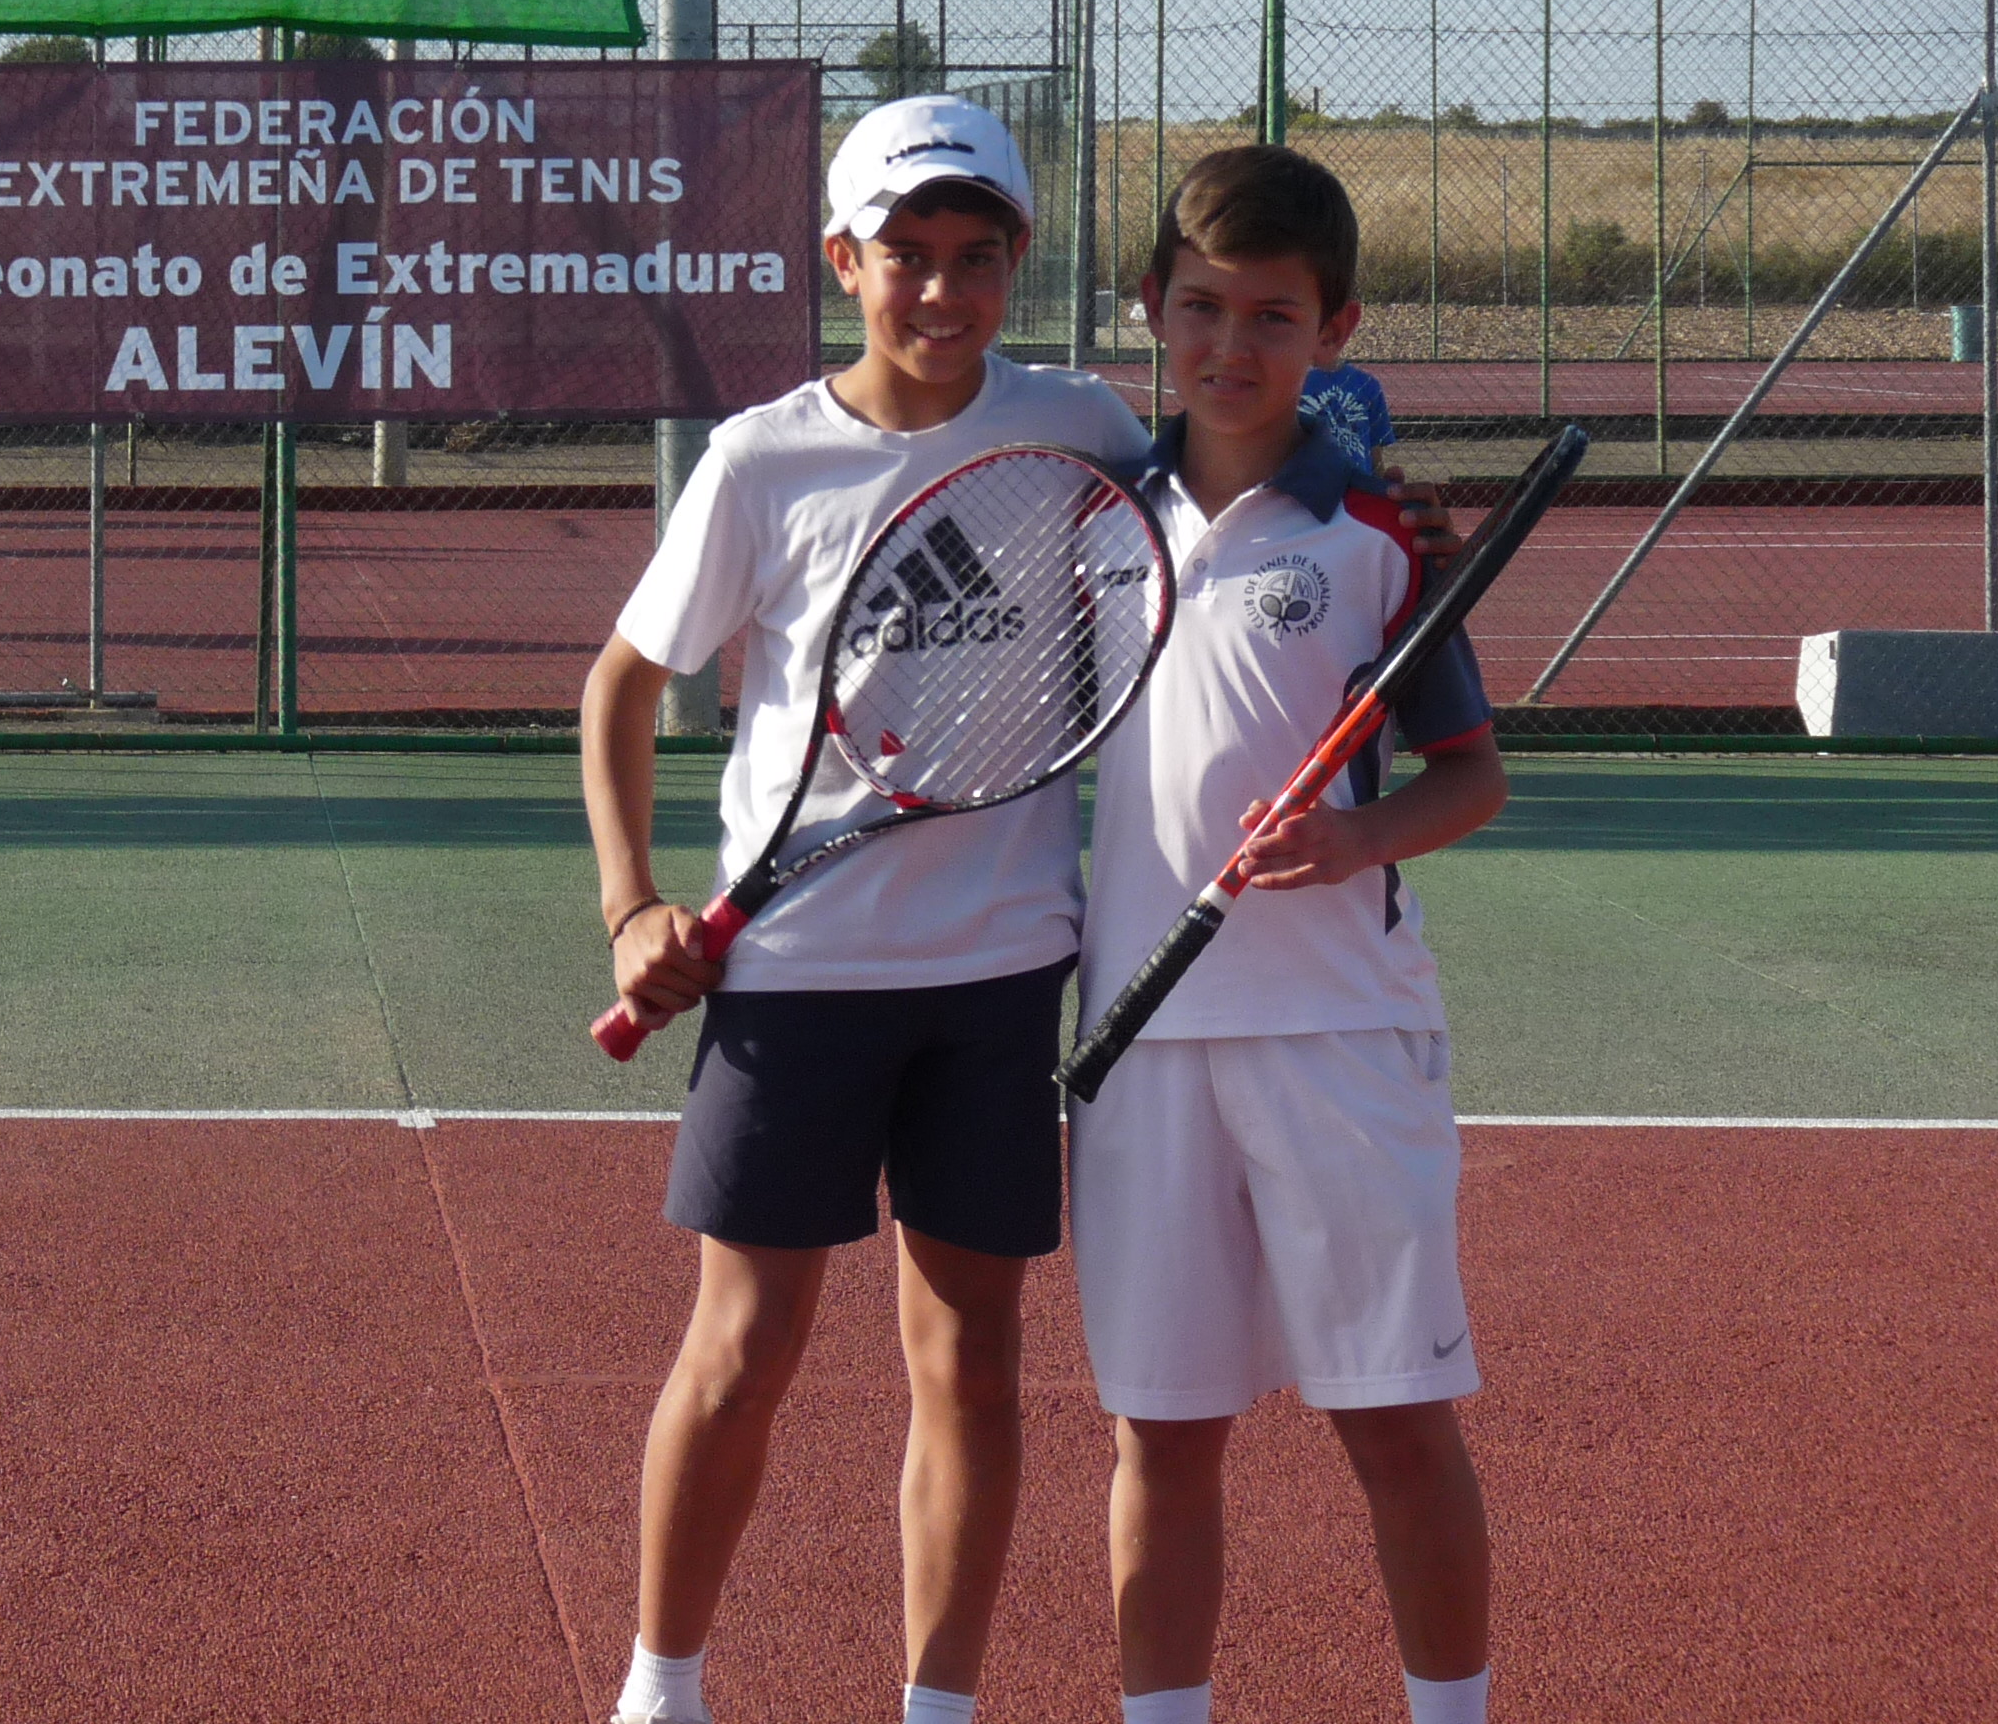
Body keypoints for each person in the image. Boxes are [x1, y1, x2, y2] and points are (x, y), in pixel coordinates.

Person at [582, 93, 1152, 1724]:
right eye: (906, 255)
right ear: (843, 260)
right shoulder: (763, 461)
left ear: (1017, 260)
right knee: (741, 1348)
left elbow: (1219, 523)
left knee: (970, 1361)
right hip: (795, 976)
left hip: (997, 980)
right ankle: (662, 1689)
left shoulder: (1084, 430)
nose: (941, 290)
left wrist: (1358, 480)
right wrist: (631, 907)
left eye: (976, 255)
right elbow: (622, 687)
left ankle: (936, 1707)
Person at [1072, 145, 1510, 1724]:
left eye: (1273, 315)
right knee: (1162, 1434)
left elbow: (1470, 779)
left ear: (1335, 329)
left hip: (1340, 1036)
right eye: (1201, 308)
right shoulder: (1087, 518)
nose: (1231, 346)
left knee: (1395, 1421)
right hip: (1138, 1042)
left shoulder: (1383, 538)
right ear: (1151, 309)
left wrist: (1353, 840)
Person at [1298, 349, 1395, 478]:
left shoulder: (1367, 384)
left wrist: (1378, 484)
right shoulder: (1291, 385)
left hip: (1355, 483)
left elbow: (1375, 451)